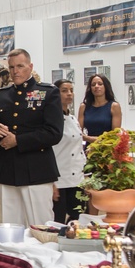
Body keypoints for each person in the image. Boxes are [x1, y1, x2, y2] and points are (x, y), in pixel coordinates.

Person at [0, 48, 63, 227]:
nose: (15, 71)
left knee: (40, 226)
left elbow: (54, 133)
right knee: (12, 228)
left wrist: (18, 140)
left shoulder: (48, 92)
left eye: (20, 66)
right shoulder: (2, 95)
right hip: (7, 170)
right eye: (11, 67)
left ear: (30, 66)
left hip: (37, 170)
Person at [51, 80, 83, 223]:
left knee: (78, 218)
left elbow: (78, 150)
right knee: (57, 221)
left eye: (71, 90)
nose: (69, 94)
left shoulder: (73, 118)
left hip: (76, 179)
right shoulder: (51, 120)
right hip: (59, 179)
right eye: (64, 90)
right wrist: (51, 183)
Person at [78, 73, 121, 146]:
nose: (96, 86)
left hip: (107, 148)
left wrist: (88, 138)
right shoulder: (84, 107)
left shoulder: (114, 106)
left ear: (106, 87)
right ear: (90, 88)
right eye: (93, 85)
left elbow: (115, 136)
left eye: (100, 84)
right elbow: (78, 133)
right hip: (89, 149)